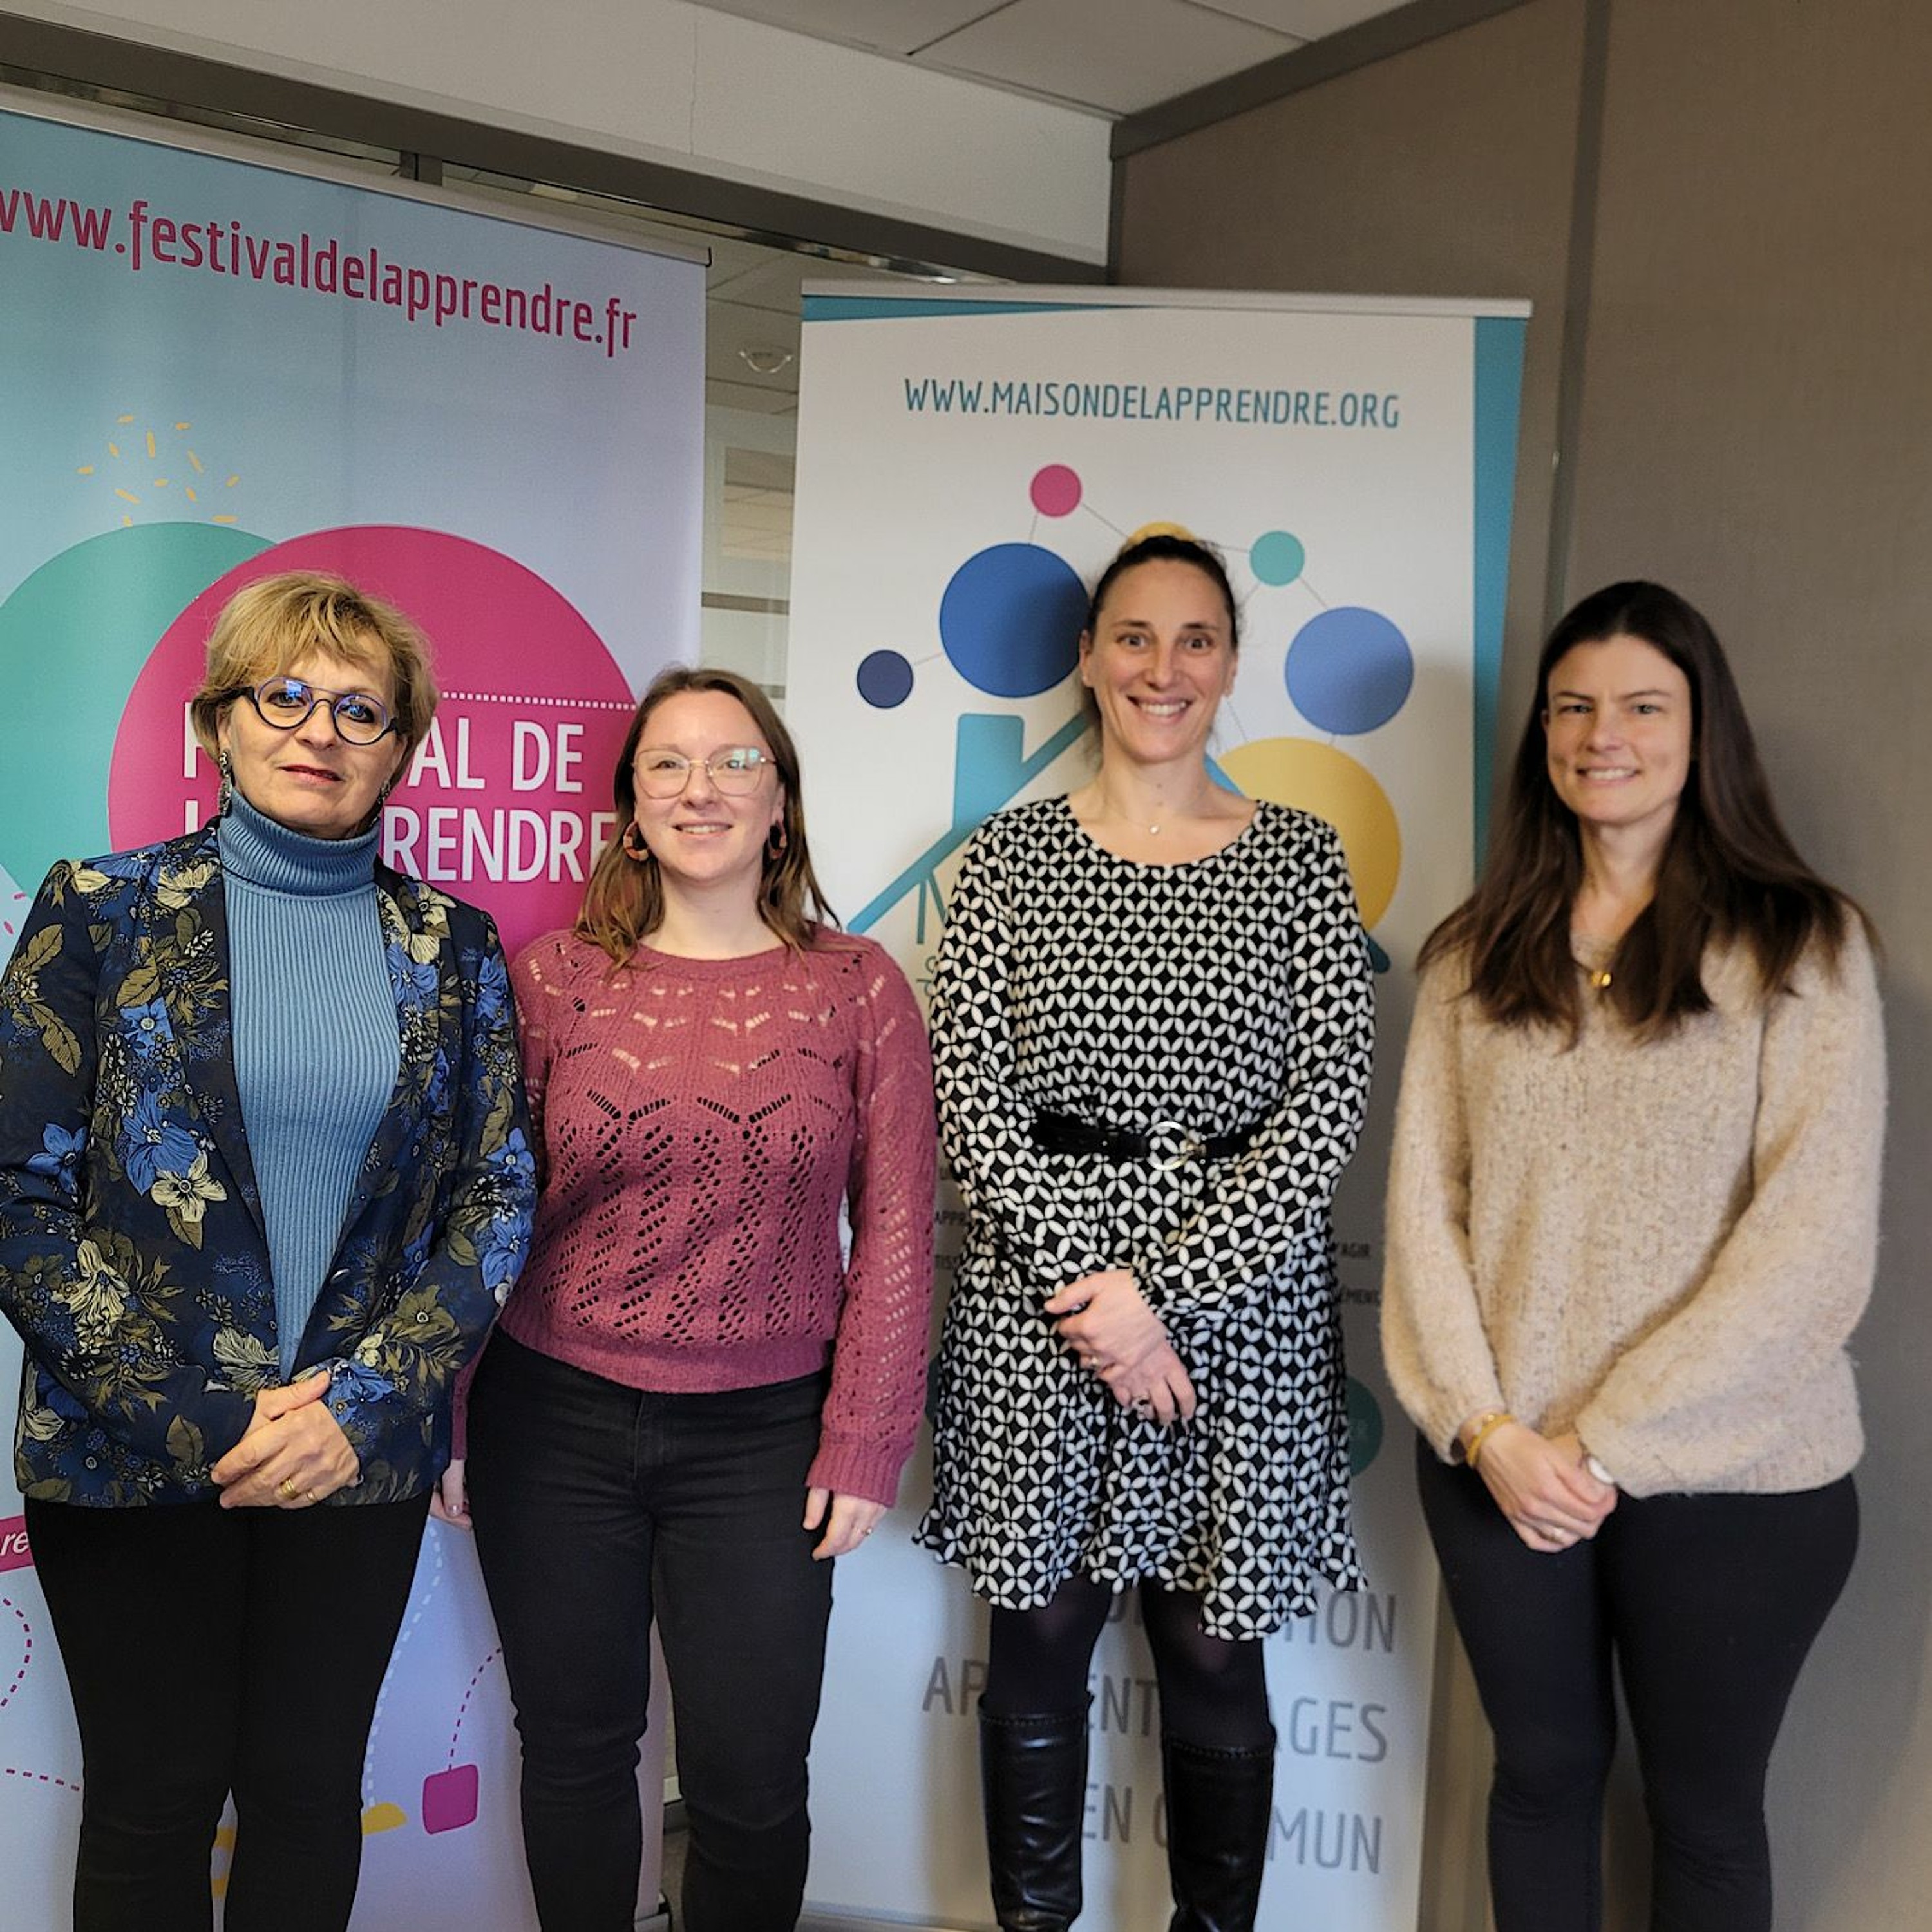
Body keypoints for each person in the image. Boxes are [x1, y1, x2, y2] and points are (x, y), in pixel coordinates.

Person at [0, 570, 535, 1932]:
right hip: (130, 1455)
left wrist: (355, 1411)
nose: (320, 729)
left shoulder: (455, 950)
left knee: (305, 1795)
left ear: (403, 750)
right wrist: (205, 1418)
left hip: (355, 1458)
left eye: (362, 708)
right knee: (152, 1798)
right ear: (216, 726)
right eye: (283, 694)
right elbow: (17, 1189)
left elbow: (497, 1192)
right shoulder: (100, 910)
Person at [1381, 580, 1884, 1932]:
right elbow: (1426, 1216)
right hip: (1503, 1467)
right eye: (1575, 706)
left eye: (1644, 706)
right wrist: (1486, 1429)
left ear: (1701, 728)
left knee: (1705, 1816)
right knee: (1540, 1778)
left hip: (1739, 1475)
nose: (1605, 734)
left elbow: (1815, 1243)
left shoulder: (1802, 947)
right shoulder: (1474, 959)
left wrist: (1604, 1446)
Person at [916, 532, 1376, 1932]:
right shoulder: (1005, 859)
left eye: (1192, 639)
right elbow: (970, 1098)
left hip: (1240, 1305)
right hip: (1040, 1304)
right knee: (1043, 1636)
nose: (1160, 668)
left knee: (1215, 1644)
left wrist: (1159, 1293)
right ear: (1087, 659)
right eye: (1132, 636)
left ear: (1230, 665)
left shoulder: (1302, 859)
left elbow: (1328, 1109)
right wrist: (1089, 1292)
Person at [442, 663, 935, 1932]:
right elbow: (480, 1209)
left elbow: (893, 1227)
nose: (699, 787)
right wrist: (445, 1411)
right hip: (548, 1421)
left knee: (751, 1783)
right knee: (575, 1756)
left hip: (766, 1435)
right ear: (632, 804)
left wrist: (867, 1434)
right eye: (669, 762)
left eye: (733, 762)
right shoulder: (552, 981)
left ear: (781, 801)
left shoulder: (858, 989)